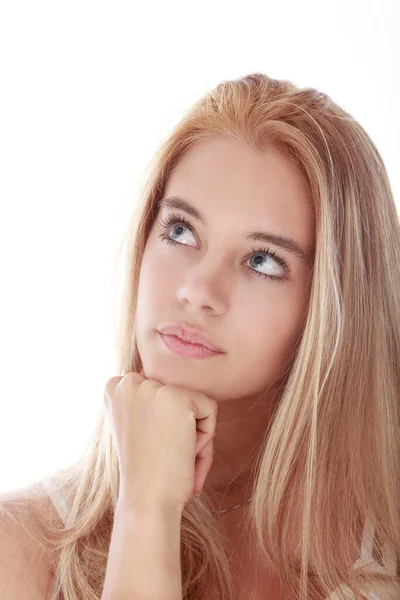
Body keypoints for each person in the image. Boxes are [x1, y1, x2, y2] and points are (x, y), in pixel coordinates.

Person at [0, 72, 399, 600]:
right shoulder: (20, 553)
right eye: (181, 231)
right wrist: (145, 509)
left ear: (334, 307)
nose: (197, 289)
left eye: (262, 260)